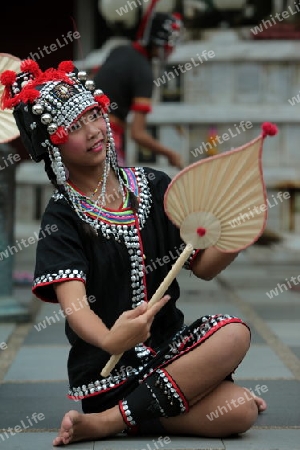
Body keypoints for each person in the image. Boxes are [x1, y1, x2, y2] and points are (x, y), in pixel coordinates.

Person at [0, 59, 266, 447]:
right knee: (234, 347)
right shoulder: (63, 216)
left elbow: (204, 267)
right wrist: (112, 340)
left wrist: (236, 232)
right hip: (108, 372)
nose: (93, 131)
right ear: (51, 145)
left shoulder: (152, 185)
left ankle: (112, 422)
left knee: (239, 402)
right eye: (73, 127)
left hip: (170, 354)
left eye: (93, 115)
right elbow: (75, 307)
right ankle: (128, 409)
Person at [93, 10, 184, 169]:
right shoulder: (144, 72)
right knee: (119, 191)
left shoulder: (118, 51)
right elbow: (138, 133)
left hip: (80, 131)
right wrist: (170, 154)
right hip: (105, 137)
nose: (171, 50)